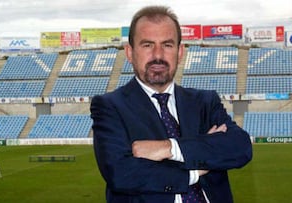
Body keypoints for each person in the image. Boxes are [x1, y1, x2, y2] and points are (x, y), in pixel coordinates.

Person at [90, 5, 252, 203]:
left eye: (167, 45)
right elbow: (122, 173)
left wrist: (170, 148)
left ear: (180, 51)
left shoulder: (205, 101)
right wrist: (195, 169)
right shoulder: (109, 106)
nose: (158, 55)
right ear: (130, 53)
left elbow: (240, 147)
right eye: (147, 45)